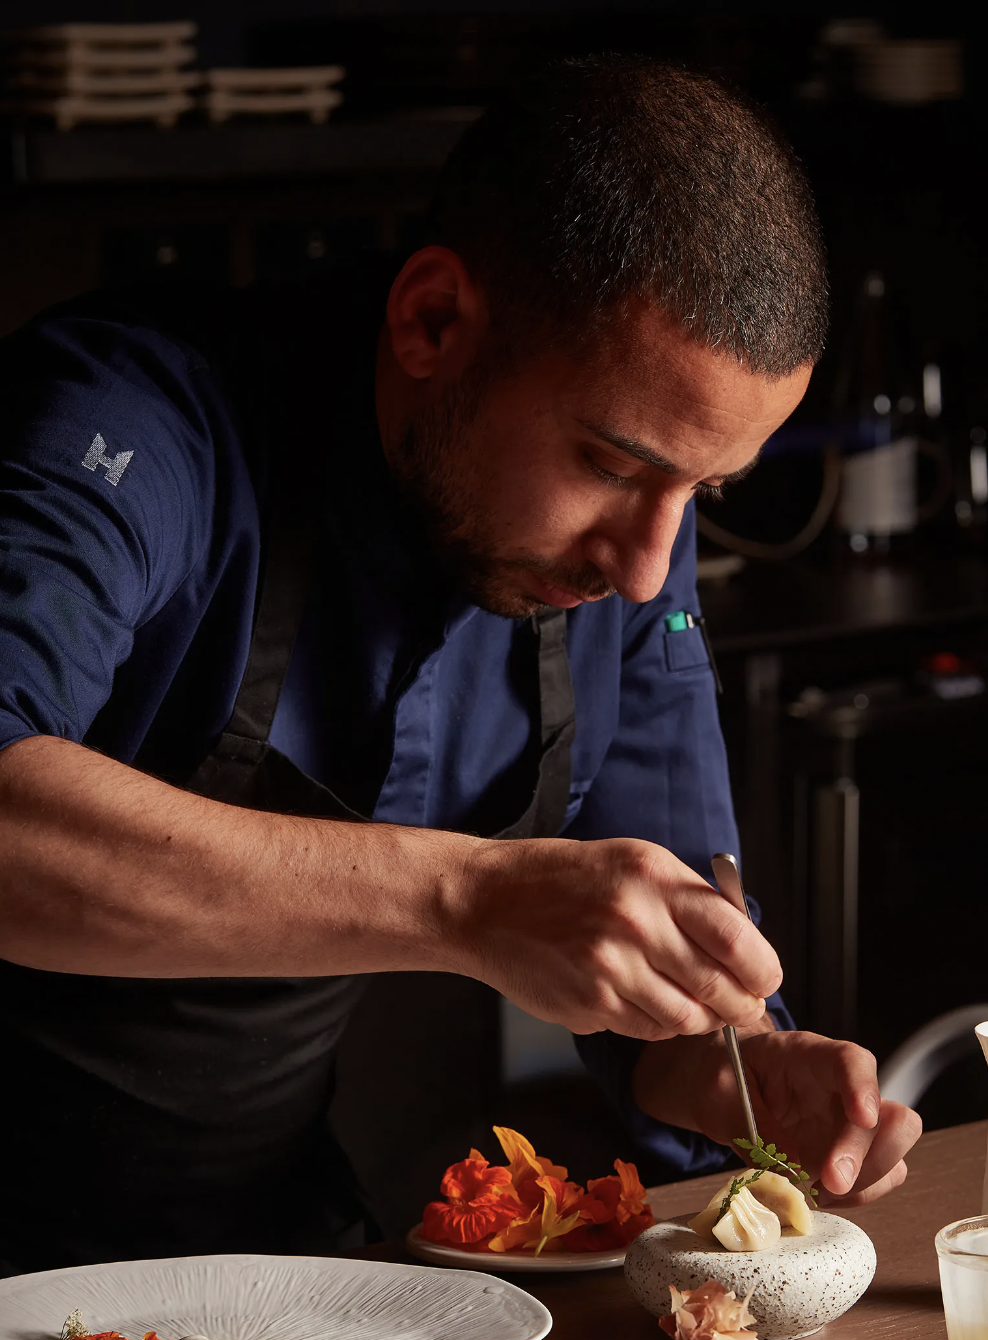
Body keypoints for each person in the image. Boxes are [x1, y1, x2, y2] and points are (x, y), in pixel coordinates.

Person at [0, 56, 920, 1271]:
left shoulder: (629, 550)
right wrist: (469, 899)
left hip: (257, 1269)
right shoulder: (134, 421)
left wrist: (742, 1071)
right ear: (434, 321)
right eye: (612, 462)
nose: (649, 568)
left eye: (701, 491)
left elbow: (665, 966)